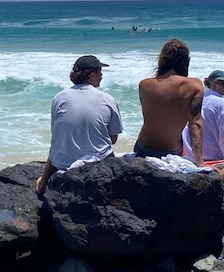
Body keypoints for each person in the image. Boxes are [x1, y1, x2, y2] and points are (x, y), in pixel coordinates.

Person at [35, 55, 123, 195]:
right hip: (96, 164)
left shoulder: (59, 98)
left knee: (59, 144)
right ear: (92, 75)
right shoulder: (107, 99)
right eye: (100, 72)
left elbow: (57, 135)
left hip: (63, 163)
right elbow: (113, 139)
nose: (102, 76)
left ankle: (43, 182)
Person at [134, 38, 204, 166]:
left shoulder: (144, 85)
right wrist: (199, 162)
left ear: (162, 60)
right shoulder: (195, 86)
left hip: (143, 148)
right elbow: (195, 125)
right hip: (171, 151)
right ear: (185, 62)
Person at [184, 69, 224, 163]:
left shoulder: (198, 98)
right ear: (214, 84)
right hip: (211, 157)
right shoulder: (223, 103)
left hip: (190, 154)